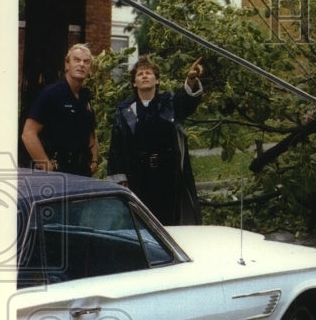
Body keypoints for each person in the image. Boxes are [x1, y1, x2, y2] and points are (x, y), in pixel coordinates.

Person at [107, 55, 205, 225]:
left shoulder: (169, 103)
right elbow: (117, 146)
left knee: (168, 225)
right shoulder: (124, 110)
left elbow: (187, 102)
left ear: (157, 80)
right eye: (140, 74)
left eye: (148, 73)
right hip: (138, 177)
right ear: (134, 83)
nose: (144, 76)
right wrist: (120, 180)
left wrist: (190, 79)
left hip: (168, 178)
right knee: (140, 224)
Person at [21, 43, 99, 176]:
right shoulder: (51, 94)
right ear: (66, 65)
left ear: (90, 68)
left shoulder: (85, 96)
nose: (81, 64)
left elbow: (90, 134)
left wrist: (94, 162)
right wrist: (48, 168)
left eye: (86, 62)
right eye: (76, 60)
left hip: (82, 170)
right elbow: (28, 134)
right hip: (58, 170)